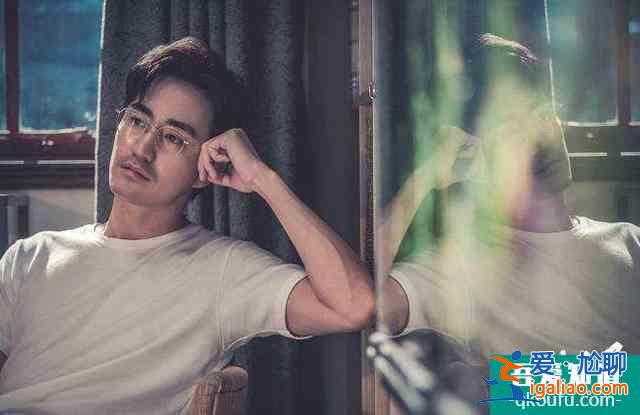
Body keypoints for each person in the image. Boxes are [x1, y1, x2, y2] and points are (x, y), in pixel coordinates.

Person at [0, 37, 374, 414]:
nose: (142, 148)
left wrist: (263, 178)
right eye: (137, 121)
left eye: (173, 138)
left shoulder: (223, 272)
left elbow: (354, 305)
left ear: (205, 168)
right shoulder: (30, 256)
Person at [382, 34, 640, 358]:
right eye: (512, 125)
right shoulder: (465, 268)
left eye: (543, 113)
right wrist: (423, 179)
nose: (542, 135)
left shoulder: (631, 241)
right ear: (474, 155)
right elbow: (368, 305)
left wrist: (507, 379)